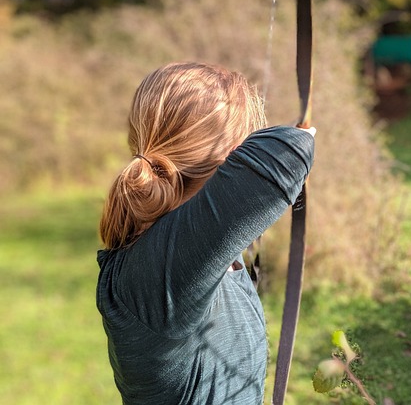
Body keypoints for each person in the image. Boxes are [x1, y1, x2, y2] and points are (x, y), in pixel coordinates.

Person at [96, 62, 315, 405]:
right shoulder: (158, 274)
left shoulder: (195, 250)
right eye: (247, 139)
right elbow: (283, 157)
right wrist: (303, 136)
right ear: (229, 156)